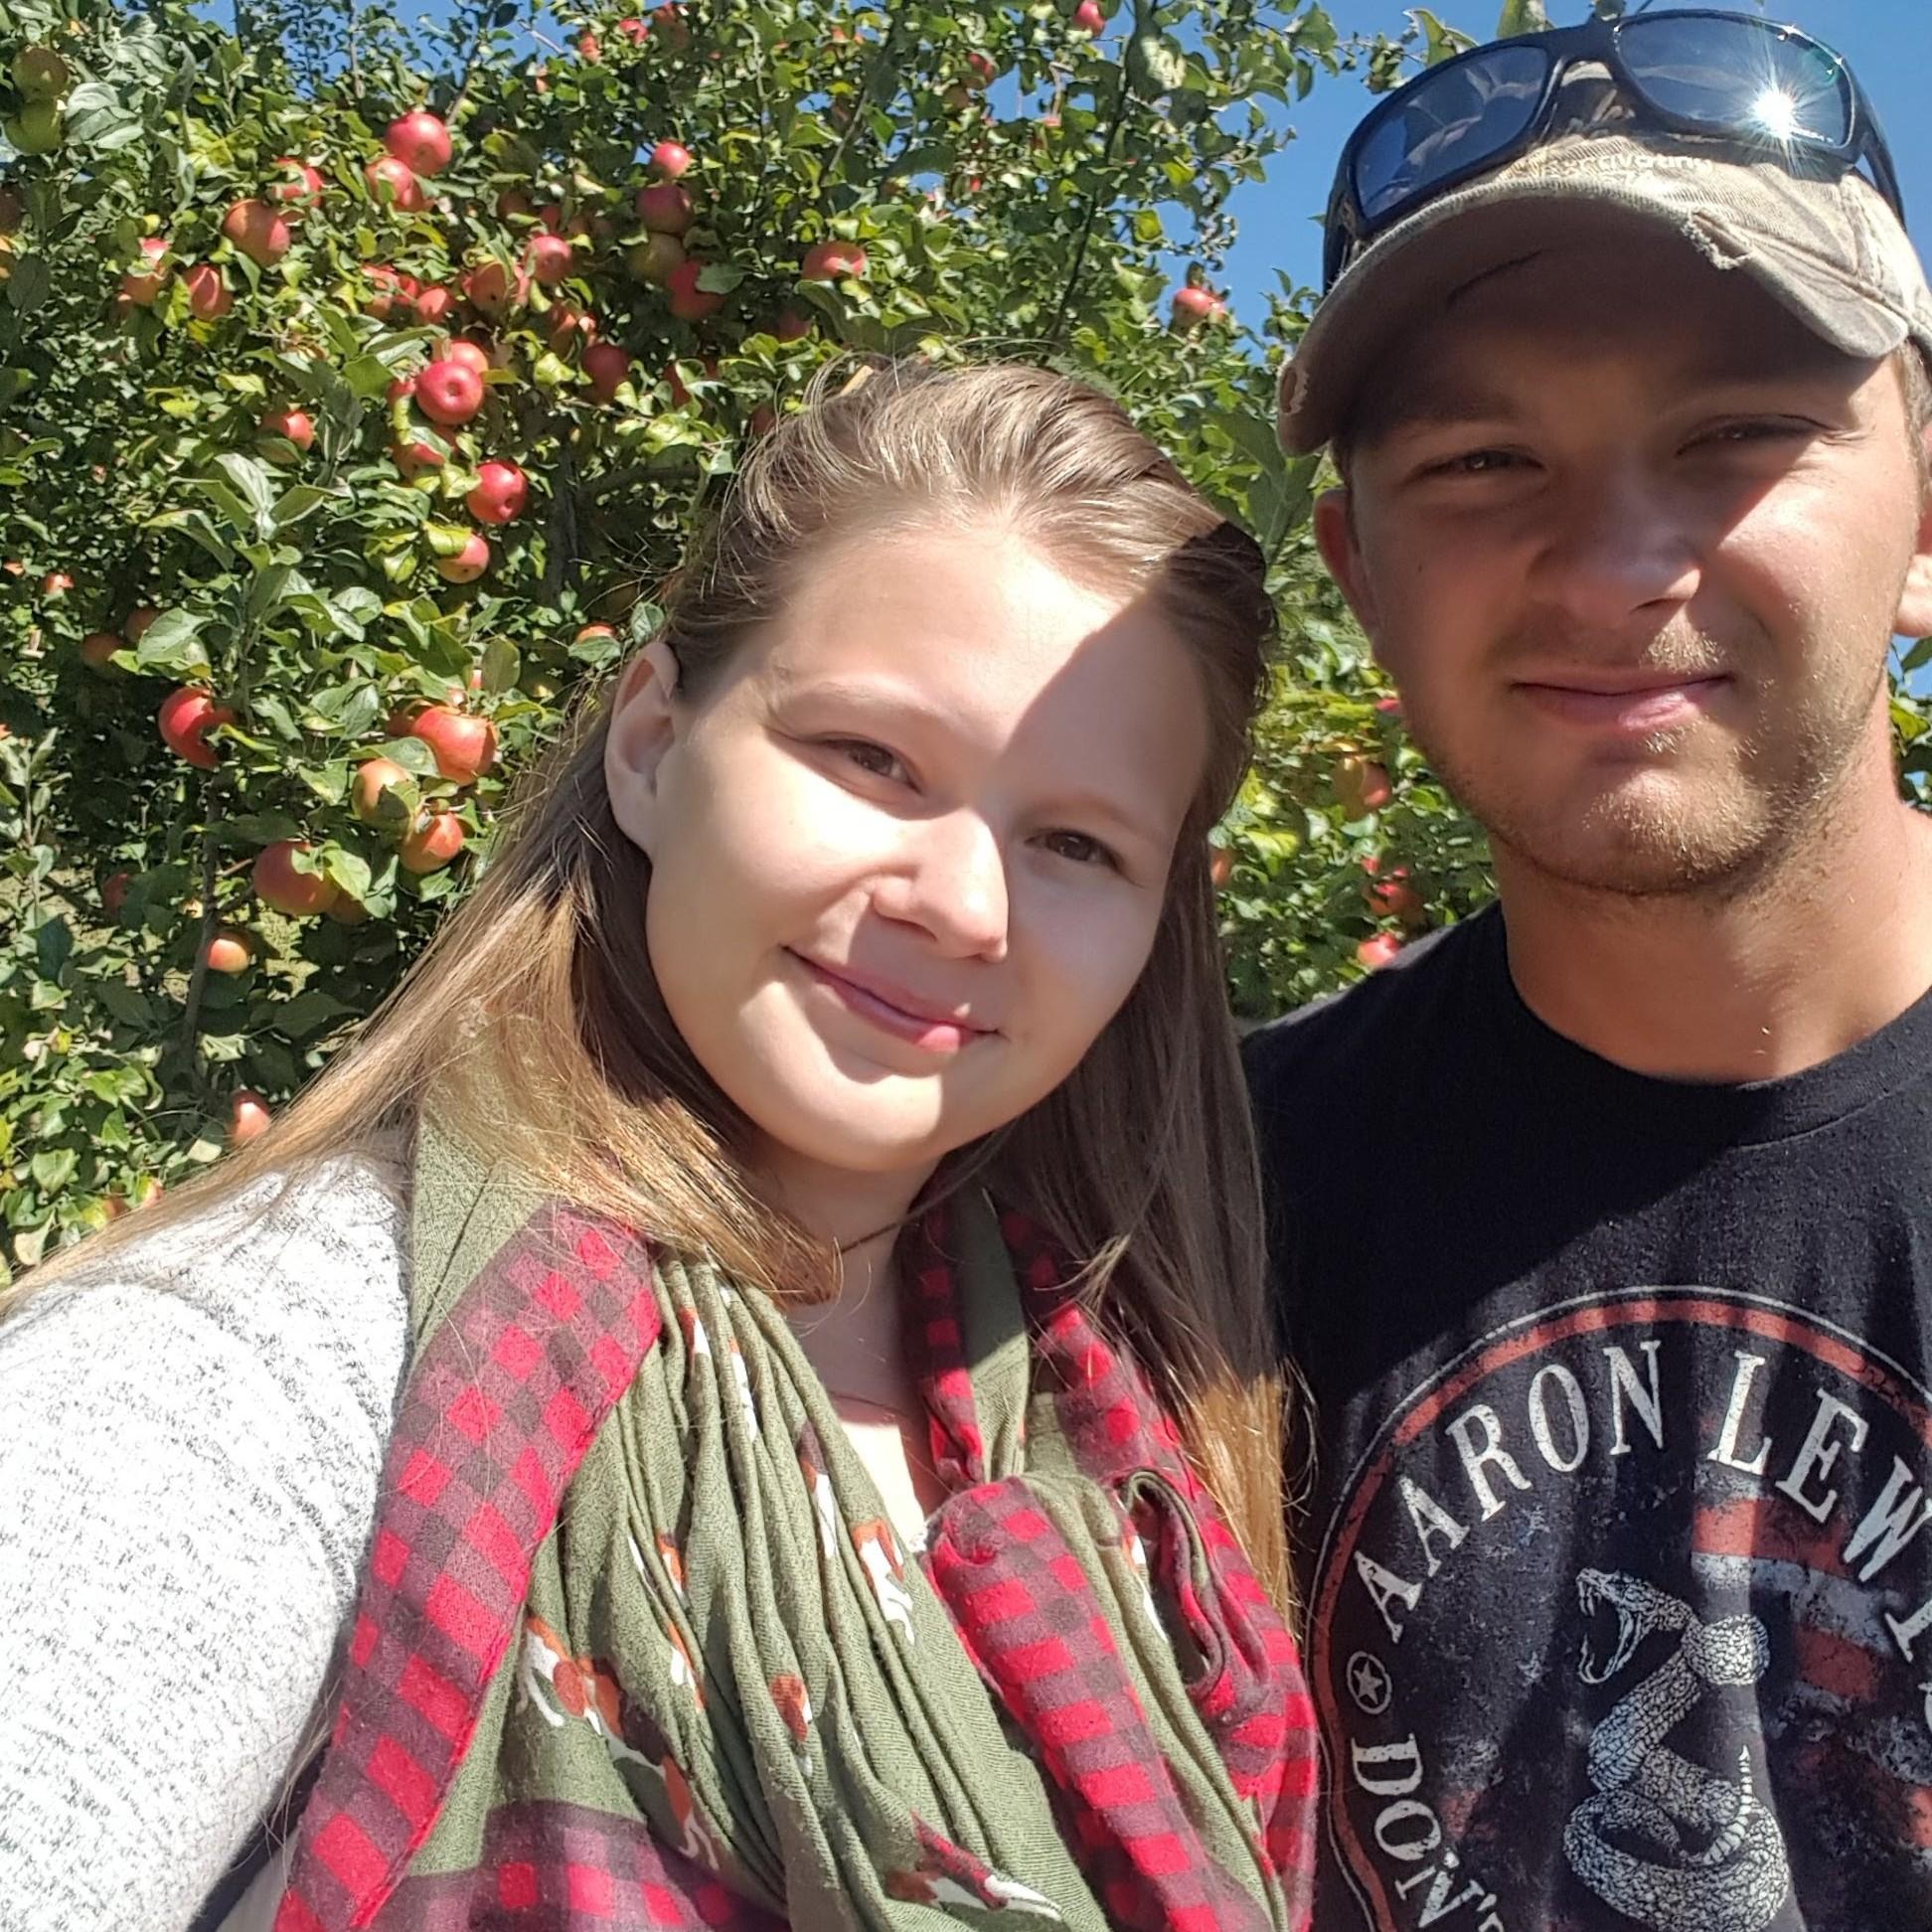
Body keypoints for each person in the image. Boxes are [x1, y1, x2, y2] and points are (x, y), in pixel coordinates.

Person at [0, 361, 1318, 1932]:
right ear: (647, 744)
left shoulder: (1143, 1449)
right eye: (873, 758)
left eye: (1079, 844)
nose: (966, 908)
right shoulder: (272, 1369)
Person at [1244, 11, 1932, 1928]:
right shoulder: (1195, 1212)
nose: (1618, 565)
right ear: (1362, 578)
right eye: (1482, 458)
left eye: (1736, 435)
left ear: (1927, 517)